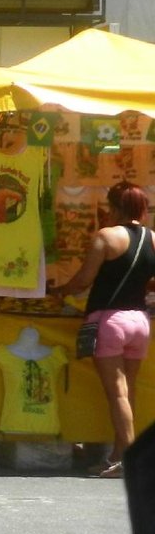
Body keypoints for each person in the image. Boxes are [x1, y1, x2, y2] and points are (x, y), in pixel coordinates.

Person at [55, 181, 155, 478]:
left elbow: (84, 280)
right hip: (140, 321)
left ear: (113, 207)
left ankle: (127, 460)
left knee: (117, 394)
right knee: (128, 392)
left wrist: (60, 291)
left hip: (110, 321)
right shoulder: (152, 239)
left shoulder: (106, 237)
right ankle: (116, 454)